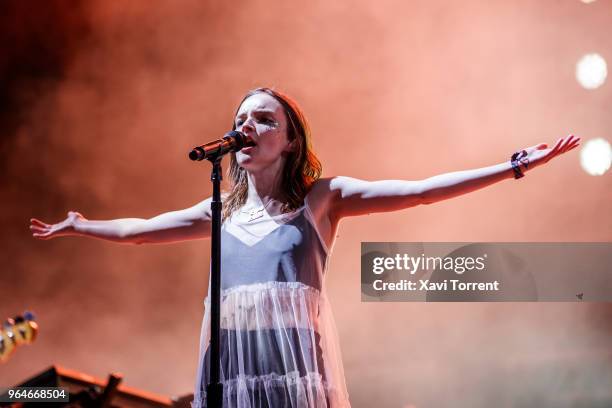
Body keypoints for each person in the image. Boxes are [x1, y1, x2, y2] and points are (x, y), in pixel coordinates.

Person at [30, 87, 580, 408]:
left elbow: (419, 193)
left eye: (263, 119)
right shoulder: (220, 209)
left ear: (290, 140)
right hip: (231, 374)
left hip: (292, 375)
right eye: (239, 120)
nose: (247, 127)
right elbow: (142, 230)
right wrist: (84, 224)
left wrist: (511, 167)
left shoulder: (321, 200)